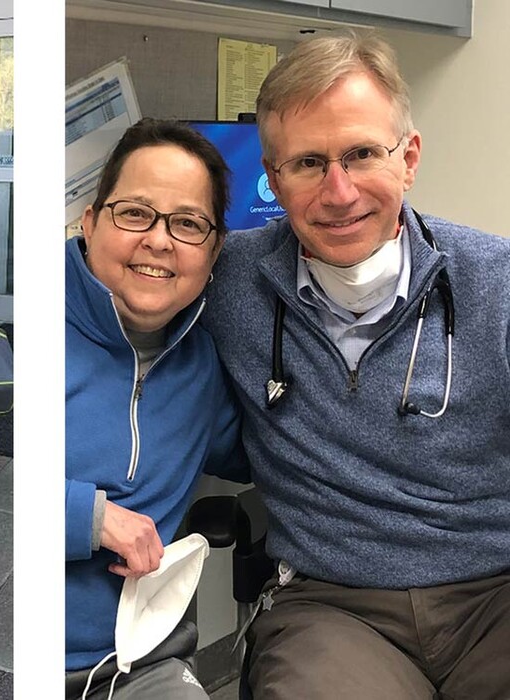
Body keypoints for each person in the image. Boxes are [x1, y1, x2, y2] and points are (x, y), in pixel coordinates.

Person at [201, 32, 510, 698]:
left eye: (363, 153)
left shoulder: (497, 283)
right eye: (309, 163)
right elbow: (112, 278)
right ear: (274, 179)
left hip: (497, 597)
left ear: (410, 158)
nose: (339, 192)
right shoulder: (228, 282)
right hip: (334, 608)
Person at [65, 118, 243, 698]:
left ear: (214, 252)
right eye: (136, 213)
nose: (160, 240)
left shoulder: (203, 363)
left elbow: (270, 451)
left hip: (144, 665)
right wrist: (85, 516)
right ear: (90, 224)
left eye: (188, 224)